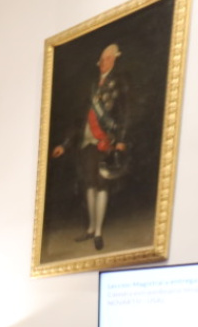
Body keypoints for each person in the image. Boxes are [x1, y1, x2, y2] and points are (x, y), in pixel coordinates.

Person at [51, 43, 129, 252]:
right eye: (102, 60)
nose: (104, 63)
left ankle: (98, 232)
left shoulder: (119, 83)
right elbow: (79, 119)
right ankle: (91, 227)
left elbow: (124, 113)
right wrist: (64, 144)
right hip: (87, 142)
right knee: (89, 184)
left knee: (102, 183)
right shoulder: (92, 87)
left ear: (114, 59)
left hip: (105, 141)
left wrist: (121, 139)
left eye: (108, 59)